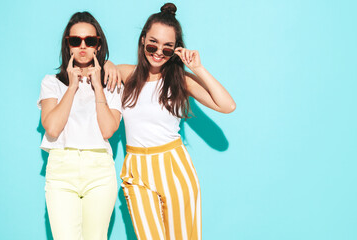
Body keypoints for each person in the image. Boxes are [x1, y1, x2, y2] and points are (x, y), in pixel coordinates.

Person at [108, 3, 236, 239]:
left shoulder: (180, 80)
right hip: (136, 169)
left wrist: (198, 68)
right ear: (143, 39)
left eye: (168, 48)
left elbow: (227, 106)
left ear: (177, 49)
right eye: (152, 43)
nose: (158, 52)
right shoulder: (127, 74)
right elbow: (104, 70)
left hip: (174, 166)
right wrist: (107, 63)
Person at [37, 12, 121, 240]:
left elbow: (107, 130)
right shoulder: (51, 83)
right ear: (68, 44)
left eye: (89, 41)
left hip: (100, 170)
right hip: (62, 169)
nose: (82, 46)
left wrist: (98, 85)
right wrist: (72, 86)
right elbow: (52, 129)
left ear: (98, 44)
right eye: (76, 41)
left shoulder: (111, 83)